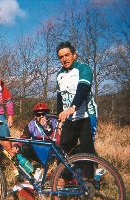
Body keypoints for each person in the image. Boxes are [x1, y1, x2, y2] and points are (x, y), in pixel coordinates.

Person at [56, 41, 97, 179]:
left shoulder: (84, 69)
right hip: (70, 117)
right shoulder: (59, 75)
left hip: (86, 115)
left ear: (75, 55)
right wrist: (59, 120)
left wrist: (72, 107)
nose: (64, 59)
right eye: (61, 57)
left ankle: (89, 184)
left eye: (67, 55)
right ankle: (63, 180)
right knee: (63, 149)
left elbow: (83, 89)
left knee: (87, 152)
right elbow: (60, 99)